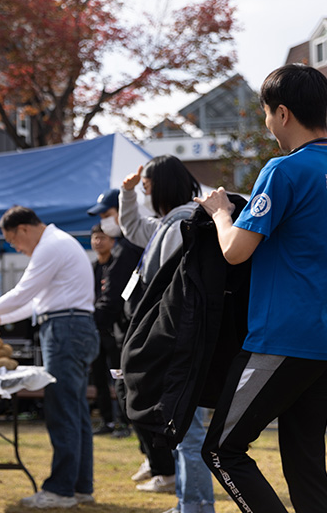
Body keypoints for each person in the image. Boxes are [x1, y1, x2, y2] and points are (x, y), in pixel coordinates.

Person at [195, 64, 327, 513]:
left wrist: (220, 212)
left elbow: (235, 251)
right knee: (305, 463)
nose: (267, 125)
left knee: (221, 450)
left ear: (282, 113)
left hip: (284, 338)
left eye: (265, 114)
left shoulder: (283, 170)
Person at [0, 206, 98, 509]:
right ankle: (79, 487)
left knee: (63, 408)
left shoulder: (50, 246)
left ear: (23, 229)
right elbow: (37, 301)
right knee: (74, 410)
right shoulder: (58, 242)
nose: (17, 249)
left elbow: (24, 291)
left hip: (65, 329)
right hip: (72, 325)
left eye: (13, 241)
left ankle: (61, 490)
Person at [120, 155, 214, 513]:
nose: (144, 191)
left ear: (163, 185)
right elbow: (133, 229)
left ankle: (197, 506)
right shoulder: (170, 223)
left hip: (179, 339)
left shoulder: (183, 223)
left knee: (189, 432)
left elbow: (178, 289)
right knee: (184, 430)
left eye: (147, 187)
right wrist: (127, 195)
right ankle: (189, 503)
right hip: (180, 338)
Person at [87, 189, 142, 438]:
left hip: (122, 332)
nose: (99, 238)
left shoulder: (128, 249)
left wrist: (86, 323)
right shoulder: (94, 266)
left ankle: (124, 423)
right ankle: (111, 421)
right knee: (105, 379)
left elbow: (111, 301)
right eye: (95, 236)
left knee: (122, 380)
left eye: (107, 215)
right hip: (109, 331)